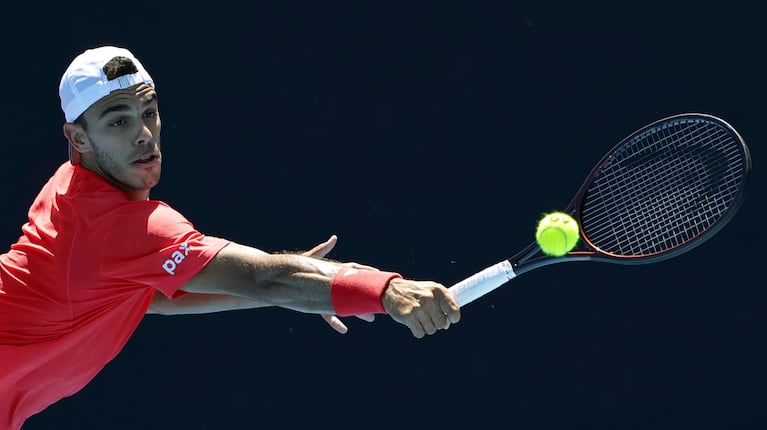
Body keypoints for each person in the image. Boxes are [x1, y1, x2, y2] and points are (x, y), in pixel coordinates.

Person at [0, 46, 461, 429]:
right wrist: (386, 290)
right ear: (77, 138)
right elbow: (264, 279)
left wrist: (312, 289)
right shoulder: (121, 229)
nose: (144, 134)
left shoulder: (71, 186)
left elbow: (153, 294)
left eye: (150, 112)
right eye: (118, 122)